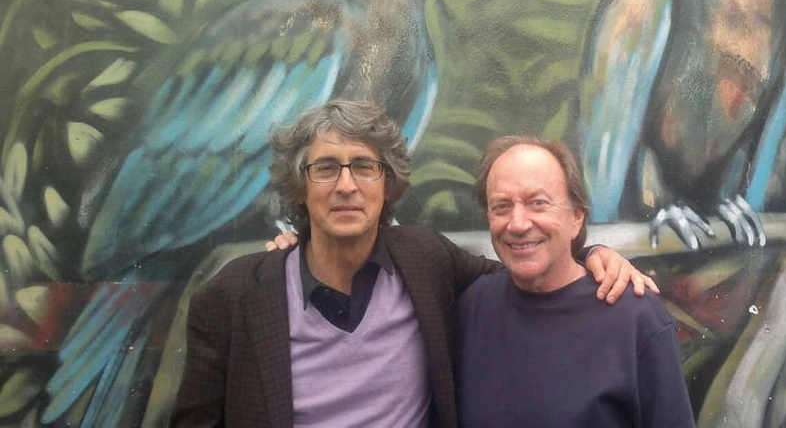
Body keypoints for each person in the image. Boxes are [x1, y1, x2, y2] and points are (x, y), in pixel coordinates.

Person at [171, 100, 657, 428]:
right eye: (325, 168)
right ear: (300, 188)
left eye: (364, 167)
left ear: (388, 186)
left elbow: (529, 272)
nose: (346, 185)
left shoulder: (426, 261)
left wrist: (591, 253)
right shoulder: (233, 299)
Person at [457, 136, 695, 427]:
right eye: (501, 206)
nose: (518, 224)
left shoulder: (634, 317)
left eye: (538, 203)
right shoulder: (473, 307)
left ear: (576, 217)